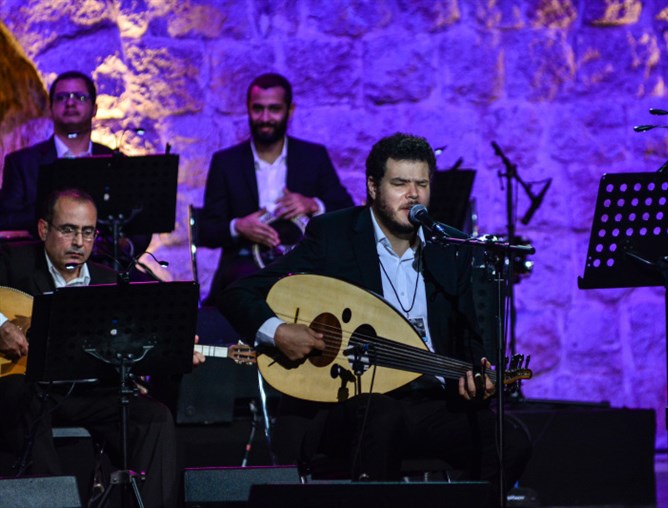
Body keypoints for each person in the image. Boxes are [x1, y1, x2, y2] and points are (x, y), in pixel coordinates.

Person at [218, 133, 532, 500]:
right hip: (344, 407)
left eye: (422, 184)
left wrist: (482, 374)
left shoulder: (451, 249)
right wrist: (277, 330)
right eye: (400, 183)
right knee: (381, 414)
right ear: (372, 186)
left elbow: (472, 341)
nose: (413, 195)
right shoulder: (333, 235)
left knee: (509, 439)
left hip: (429, 402)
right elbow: (239, 293)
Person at [0, 188, 191, 507]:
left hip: (88, 393)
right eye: (68, 230)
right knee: (28, 397)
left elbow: (128, 341)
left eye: (87, 233)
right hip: (29, 391)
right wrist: (1, 324)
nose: (78, 243)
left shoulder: (110, 280)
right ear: (44, 229)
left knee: (153, 418)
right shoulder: (12, 262)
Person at [199, 72, 354, 304]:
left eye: (274, 109)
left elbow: (346, 210)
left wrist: (313, 204)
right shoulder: (225, 162)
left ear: (290, 111)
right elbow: (207, 230)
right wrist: (238, 226)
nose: (265, 117)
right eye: (257, 108)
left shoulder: (313, 157)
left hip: (303, 267)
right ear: (248, 108)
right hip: (242, 268)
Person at [0, 70, 149, 264]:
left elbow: (141, 223)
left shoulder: (117, 161)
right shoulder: (22, 162)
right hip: (40, 269)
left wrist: (123, 247)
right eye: (62, 97)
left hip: (106, 270)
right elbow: (6, 219)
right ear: (51, 108)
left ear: (94, 108)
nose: (70, 103)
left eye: (79, 97)